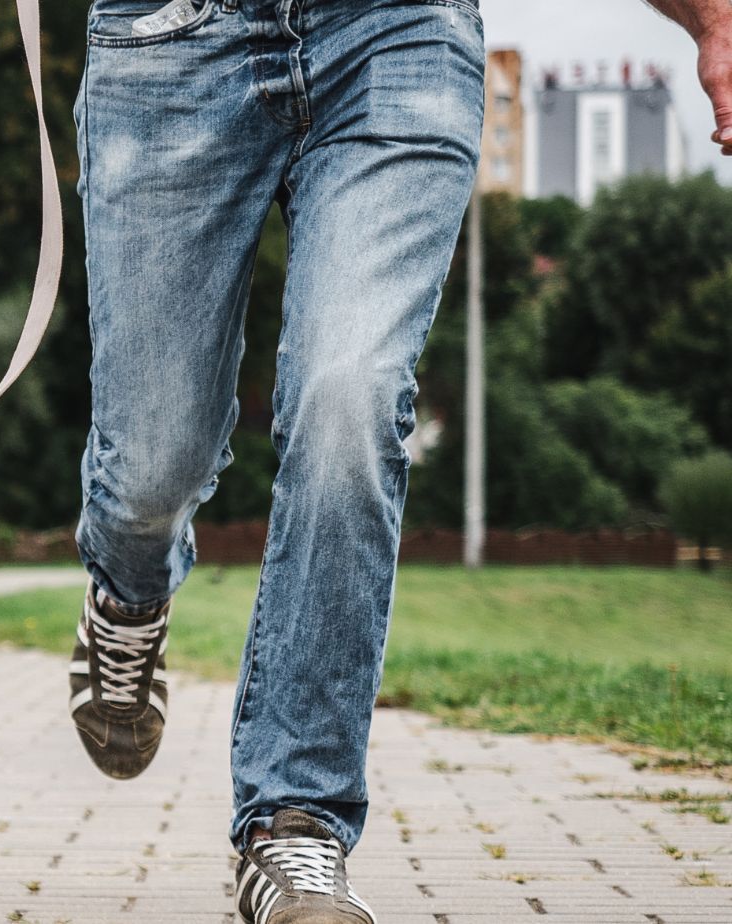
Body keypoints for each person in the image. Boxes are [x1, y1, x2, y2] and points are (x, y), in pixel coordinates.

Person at [64, 0, 732, 920]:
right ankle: (127, 598)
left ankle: (294, 819)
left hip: (397, 34)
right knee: (153, 462)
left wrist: (710, 16)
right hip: (170, 41)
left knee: (351, 400)